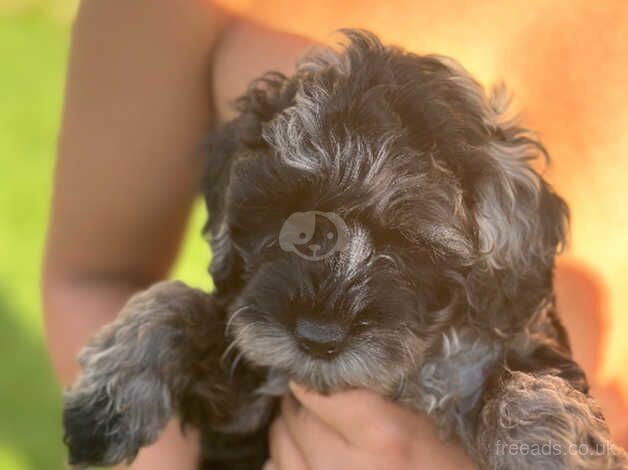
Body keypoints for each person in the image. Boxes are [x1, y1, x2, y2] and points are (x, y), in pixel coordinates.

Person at [42, 1, 627, 469]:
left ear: (497, 244)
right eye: (297, 229)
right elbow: (93, 276)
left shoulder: (511, 383)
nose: (322, 319)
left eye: (408, 245)